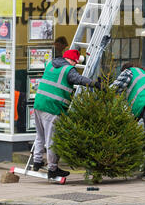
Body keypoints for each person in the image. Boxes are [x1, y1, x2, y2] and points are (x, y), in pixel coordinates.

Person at [33, 49, 100, 180]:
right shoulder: (68, 70)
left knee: (40, 134)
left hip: (39, 104)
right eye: (75, 63)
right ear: (72, 60)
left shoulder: (50, 65)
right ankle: (52, 169)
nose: (75, 66)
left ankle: (37, 161)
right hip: (52, 107)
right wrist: (95, 84)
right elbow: (79, 79)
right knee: (52, 139)